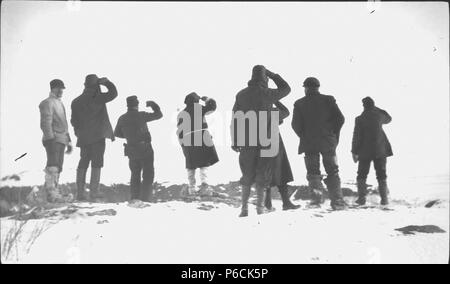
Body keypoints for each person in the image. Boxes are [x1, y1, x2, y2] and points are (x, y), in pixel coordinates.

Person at [231, 65, 291, 217]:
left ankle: (244, 209)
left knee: (247, 175)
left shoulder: (241, 95)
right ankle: (259, 209)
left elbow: (235, 118)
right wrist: (273, 74)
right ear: (264, 78)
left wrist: (235, 140)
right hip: (266, 141)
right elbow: (286, 88)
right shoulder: (267, 93)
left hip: (247, 141)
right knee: (262, 176)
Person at [291, 77, 347, 210]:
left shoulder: (299, 103)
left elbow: (295, 125)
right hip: (328, 142)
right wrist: (333, 136)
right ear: (318, 87)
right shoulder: (328, 100)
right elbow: (340, 119)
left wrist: (304, 136)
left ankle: (316, 202)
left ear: (305, 88)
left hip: (309, 143)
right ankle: (337, 202)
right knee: (332, 171)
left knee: (313, 172)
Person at [71, 74, 118, 201]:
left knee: (83, 162)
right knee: (97, 163)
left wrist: (79, 133)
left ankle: (80, 193)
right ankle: (94, 192)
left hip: (84, 137)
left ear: (85, 85)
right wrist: (107, 82)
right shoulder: (98, 98)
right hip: (98, 136)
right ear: (96, 86)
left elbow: (73, 121)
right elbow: (114, 93)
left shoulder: (75, 101)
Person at [114, 96, 163, 202]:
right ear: (137, 105)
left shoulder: (122, 118)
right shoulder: (141, 115)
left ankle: (134, 198)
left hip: (131, 149)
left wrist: (129, 137)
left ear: (128, 105)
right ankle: (145, 199)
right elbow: (159, 115)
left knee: (135, 174)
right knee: (148, 174)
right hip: (145, 148)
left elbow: (117, 133)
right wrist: (153, 105)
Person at [351, 97, 393, 206]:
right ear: (373, 105)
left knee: (361, 175)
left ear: (363, 106)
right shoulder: (379, 116)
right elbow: (389, 118)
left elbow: (356, 136)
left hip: (364, 152)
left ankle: (361, 199)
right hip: (380, 150)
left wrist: (354, 151)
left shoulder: (360, 119)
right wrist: (376, 108)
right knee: (381, 174)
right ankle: (384, 199)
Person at [177, 92, 219, 196]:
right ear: (196, 101)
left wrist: (182, 144)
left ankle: (192, 189)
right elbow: (212, 108)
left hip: (188, 140)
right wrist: (207, 99)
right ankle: (204, 185)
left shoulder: (181, 114)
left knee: (191, 165)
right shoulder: (198, 108)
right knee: (204, 163)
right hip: (202, 137)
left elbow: (179, 131)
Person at [39, 79, 73, 203]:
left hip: (61, 140)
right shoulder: (47, 103)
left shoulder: (60, 103)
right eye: (58, 88)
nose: (61, 91)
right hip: (53, 139)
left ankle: (54, 192)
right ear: (52, 88)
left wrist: (68, 141)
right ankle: (51, 193)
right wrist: (50, 138)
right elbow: (45, 122)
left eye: (62, 89)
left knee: (58, 166)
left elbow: (64, 124)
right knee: (52, 165)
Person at [264, 101, 301, 211]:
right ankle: (285, 202)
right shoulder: (272, 111)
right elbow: (286, 112)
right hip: (275, 143)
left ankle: (268, 204)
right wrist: (274, 99)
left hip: (258, 144)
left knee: (265, 173)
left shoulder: (252, 110)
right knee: (281, 172)